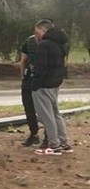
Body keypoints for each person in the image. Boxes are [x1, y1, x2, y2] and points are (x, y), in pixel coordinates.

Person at [32, 19, 71, 156]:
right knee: (55, 114)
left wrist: (35, 83)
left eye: (37, 32)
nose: (36, 35)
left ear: (43, 30)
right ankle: (64, 142)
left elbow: (41, 67)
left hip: (43, 85)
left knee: (46, 116)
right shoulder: (60, 44)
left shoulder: (44, 45)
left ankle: (54, 144)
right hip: (55, 83)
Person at [19, 25, 41, 147]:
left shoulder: (47, 43)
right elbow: (22, 61)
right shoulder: (29, 41)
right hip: (30, 78)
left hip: (37, 79)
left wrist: (23, 76)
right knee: (30, 107)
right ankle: (36, 134)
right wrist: (22, 76)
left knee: (38, 108)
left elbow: (23, 61)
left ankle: (39, 134)